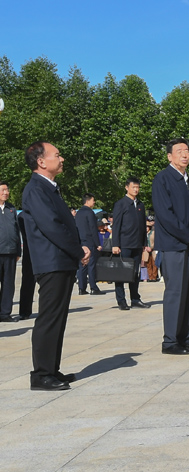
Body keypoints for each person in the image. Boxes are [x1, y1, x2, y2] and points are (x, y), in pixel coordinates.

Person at [22, 141, 91, 390]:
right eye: (57, 155)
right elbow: (52, 226)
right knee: (49, 318)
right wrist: (77, 250)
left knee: (58, 318)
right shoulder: (35, 189)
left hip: (60, 261)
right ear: (41, 161)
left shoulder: (49, 188)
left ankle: (52, 369)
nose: (62, 159)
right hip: (51, 261)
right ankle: (41, 375)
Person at [151, 138, 189, 355]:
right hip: (175, 246)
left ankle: (185, 336)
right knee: (175, 292)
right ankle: (170, 341)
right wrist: (187, 236)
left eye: (187, 151)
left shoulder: (188, 182)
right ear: (169, 156)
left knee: (188, 293)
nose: (185, 155)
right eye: (179, 151)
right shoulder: (163, 179)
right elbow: (165, 215)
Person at [110, 177, 151, 310]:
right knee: (121, 273)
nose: (136, 189)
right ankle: (121, 300)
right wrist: (115, 244)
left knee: (135, 273)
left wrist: (144, 242)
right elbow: (116, 225)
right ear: (127, 187)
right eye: (133, 187)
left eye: (138, 187)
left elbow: (142, 226)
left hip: (137, 244)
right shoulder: (121, 204)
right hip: (124, 244)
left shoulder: (140, 205)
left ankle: (135, 298)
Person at [0, 181, 21, 323]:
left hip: (10, 252)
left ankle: (5, 313)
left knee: (8, 283)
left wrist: (18, 250)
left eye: (7, 190)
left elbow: (16, 231)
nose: (6, 192)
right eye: (3, 190)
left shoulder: (11, 209)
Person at [75, 193, 103, 295]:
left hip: (81, 242)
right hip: (90, 241)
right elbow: (93, 229)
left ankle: (82, 288)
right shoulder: (89, 213)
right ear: (88, 201)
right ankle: (93, 287)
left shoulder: (78, 213)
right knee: (91, 265)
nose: (94, 202)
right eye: (93, 200)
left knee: (82, 264)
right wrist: (97, 243)